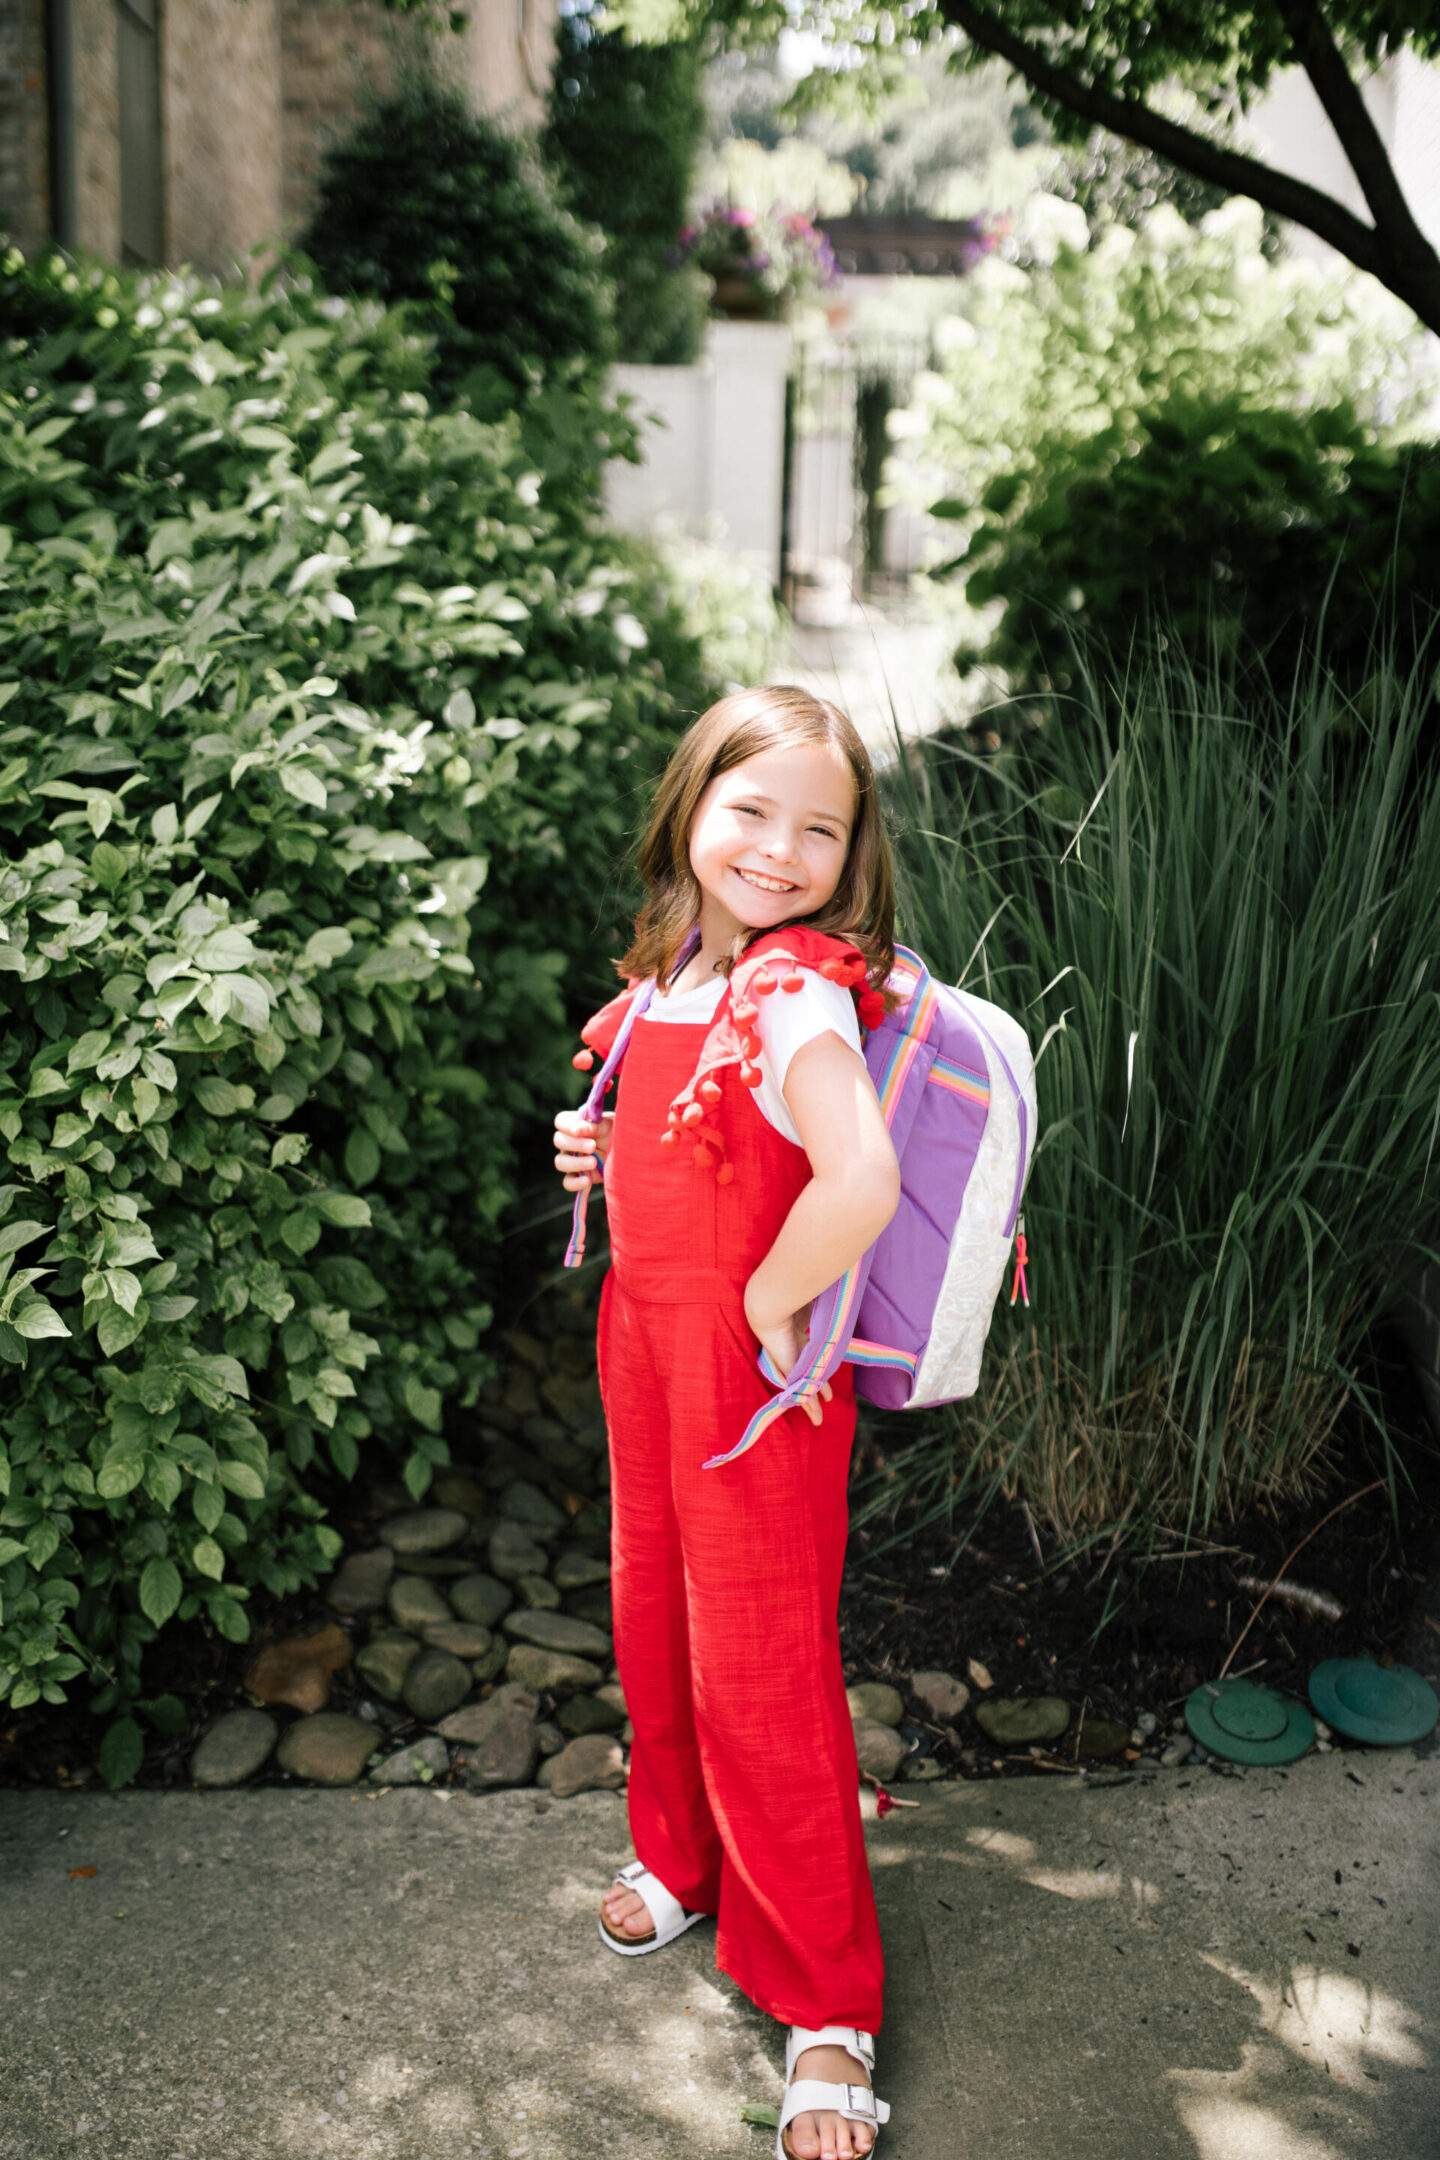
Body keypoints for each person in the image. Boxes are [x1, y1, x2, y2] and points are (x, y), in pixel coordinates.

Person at [552, 686, 902, 2160]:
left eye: (820, 828)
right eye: (753, 811)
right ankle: (684, 1858)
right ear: (690, 807)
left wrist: (768, 1307)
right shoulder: (673, 979)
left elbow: (859, 1176)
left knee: (762, 1660)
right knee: (657, 1618)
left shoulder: (790, 990)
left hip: (753, 1381)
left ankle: (829, 2007)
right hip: (644, 1346)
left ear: (852, 857)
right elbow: (680, 1139)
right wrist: (598, 1137)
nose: (780, 848)